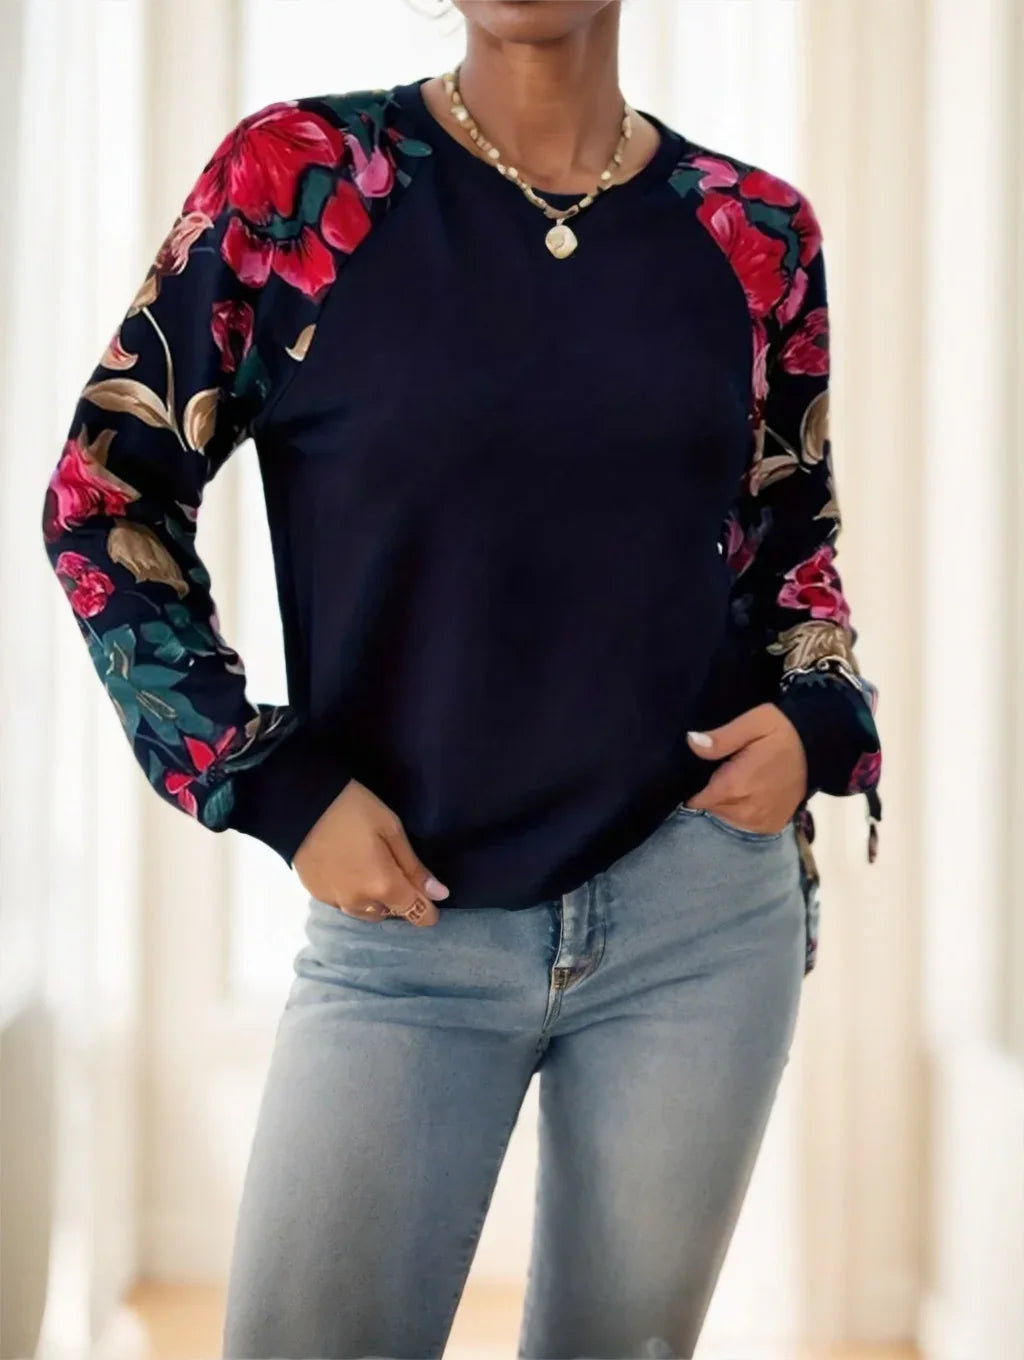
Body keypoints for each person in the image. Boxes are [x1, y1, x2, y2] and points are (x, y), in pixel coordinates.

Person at [40, 1, 883, 1355]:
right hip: (408, 928)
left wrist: (817, 716)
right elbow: (103, 505)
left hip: (700, 914)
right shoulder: (297, 182)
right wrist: (273, 783)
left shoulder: (757, 231)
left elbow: (796, 547)